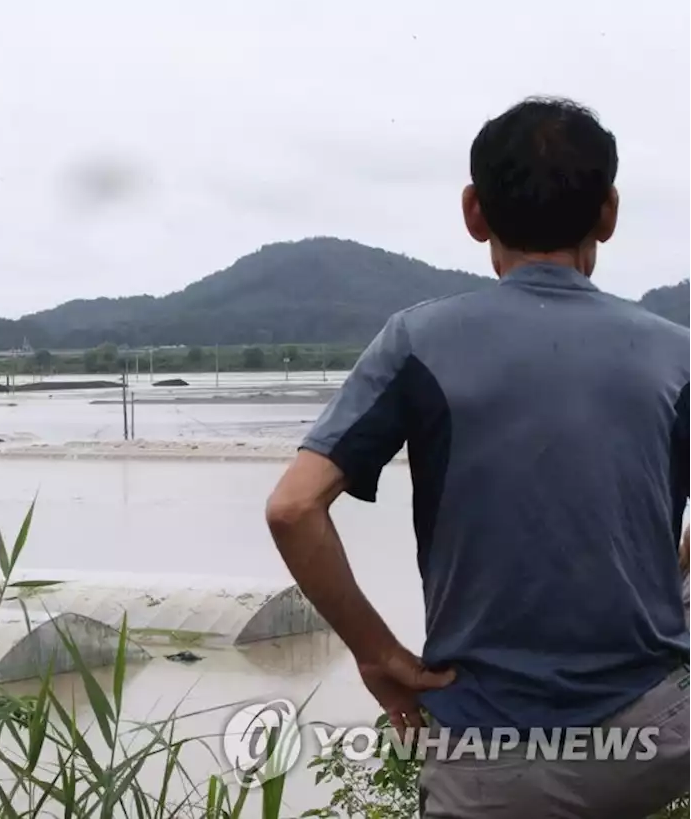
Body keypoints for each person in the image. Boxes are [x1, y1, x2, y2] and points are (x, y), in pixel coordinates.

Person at [265, 97, 691, 818]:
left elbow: (294, 508)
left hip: (494, 758)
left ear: (474, 211)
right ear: (609, 213)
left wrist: (378, 654)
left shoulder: (419, 341)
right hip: (661, 738)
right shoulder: (677, 352)